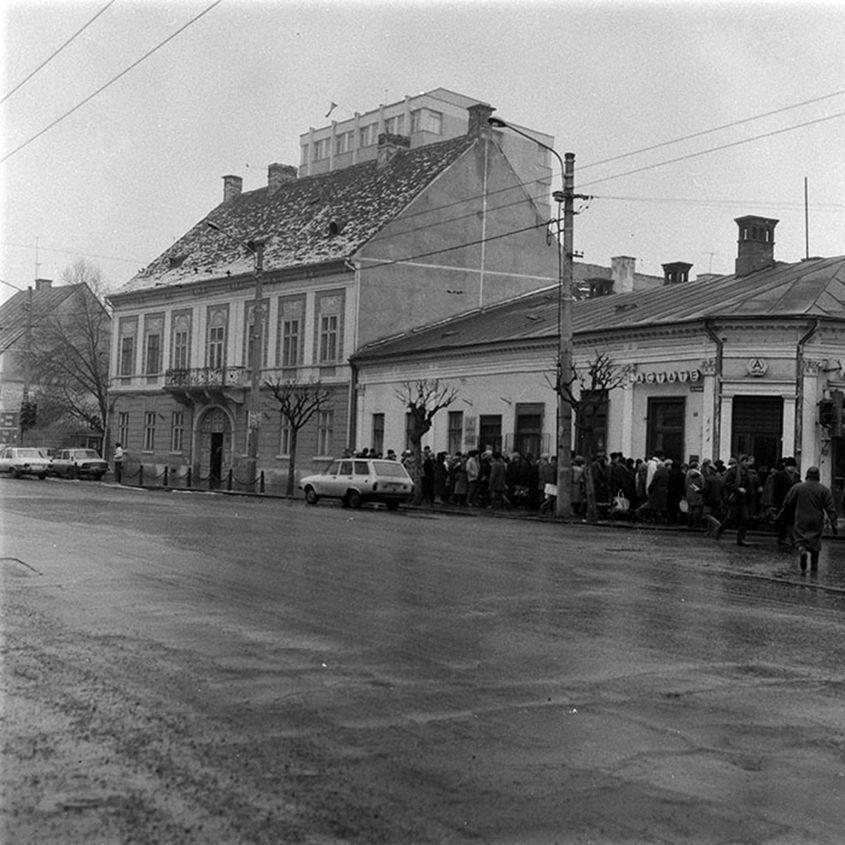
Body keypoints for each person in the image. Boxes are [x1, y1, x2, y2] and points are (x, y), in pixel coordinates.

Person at [777, 466, 838, 573]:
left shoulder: (798, 487)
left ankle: (802, 551)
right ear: (818, 476)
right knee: (815, 542)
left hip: (801, 517)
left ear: (807, 475)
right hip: (816, 519)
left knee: (800, 539)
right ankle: (814, 565)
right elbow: (830, 508)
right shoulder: (824, 490)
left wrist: (780, 516)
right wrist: (834, 524)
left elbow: (787, 503)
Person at [715, 454, 754, 546]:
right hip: (734, 498)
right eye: (747, 461)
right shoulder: (733, 471)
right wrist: (737, 488)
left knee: (745, 518)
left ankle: (741, 539)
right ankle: (720, 529)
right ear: (743, 461)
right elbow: (725, 483)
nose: (748, 463)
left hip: (743, 499)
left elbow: (750, 485)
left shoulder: (747, 472)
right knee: (731, 518)